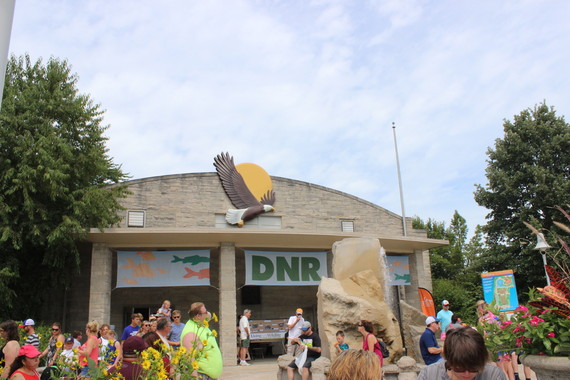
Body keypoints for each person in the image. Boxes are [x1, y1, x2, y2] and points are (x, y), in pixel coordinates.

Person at [417, 327, 507, 380]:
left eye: (473, 368)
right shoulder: (429, 375)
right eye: (459, 368)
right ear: (449, 360)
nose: (466, 374)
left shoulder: (494, 375)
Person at [181, 302, 223, 380]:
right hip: (201, 375)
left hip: (209, 375)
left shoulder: (201, 322)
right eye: (205, 312)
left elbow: (209, 315)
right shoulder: (191, 332)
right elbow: (189, 359)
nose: (208, 314)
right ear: (198, 316)